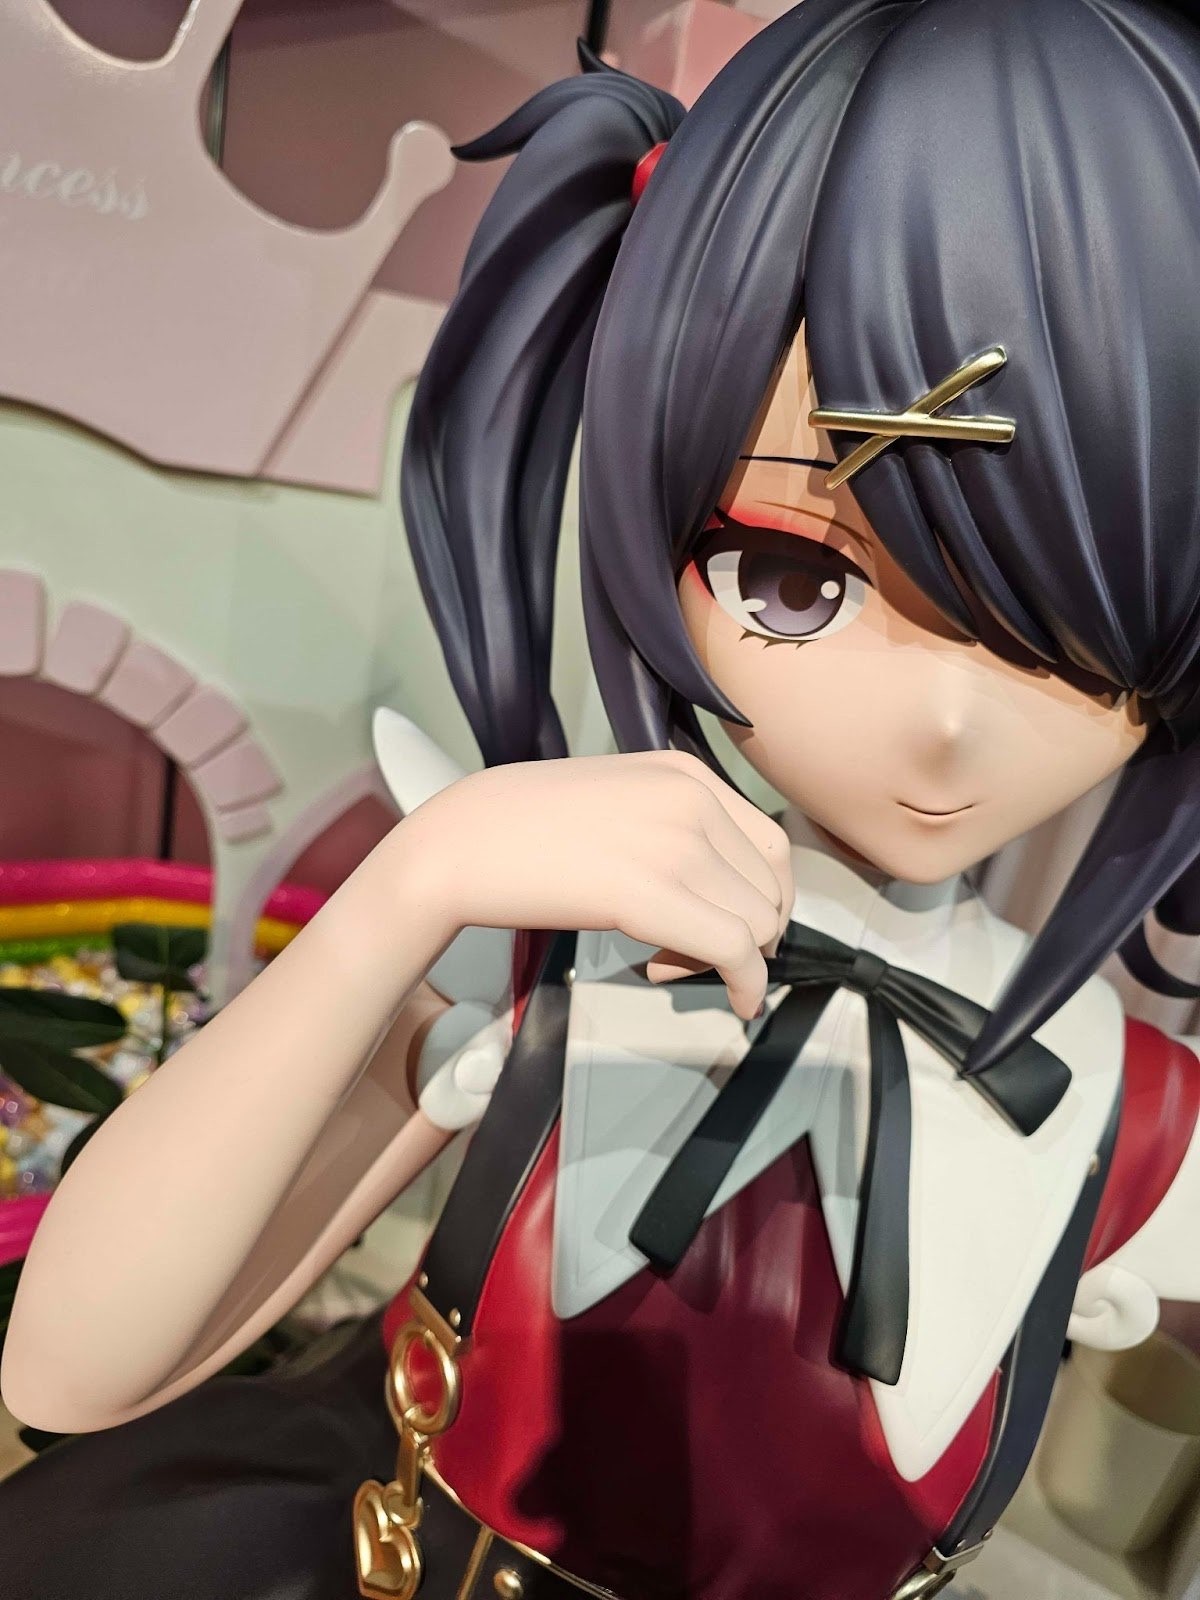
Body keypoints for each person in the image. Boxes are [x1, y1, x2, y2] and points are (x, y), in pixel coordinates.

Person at [5, 2, 1200, 1597]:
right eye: (797, 577)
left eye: (1075, 633)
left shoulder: (1135, 1106)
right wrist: (411, 888)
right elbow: (72, 1372)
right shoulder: (556, 928)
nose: (944, 726)